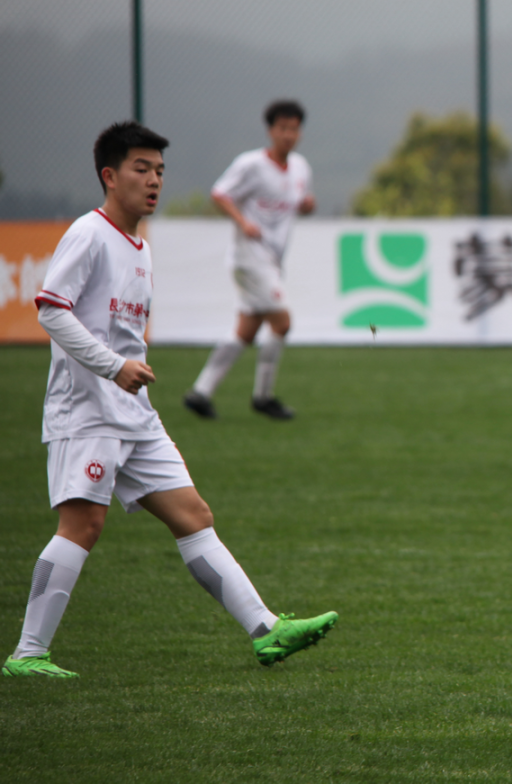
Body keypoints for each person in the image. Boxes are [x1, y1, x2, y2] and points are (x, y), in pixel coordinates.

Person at [3, 122, 336, 679]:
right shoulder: (89, 233)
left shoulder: (139, 247)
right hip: (87, 411)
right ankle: (27, 655)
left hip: (134, 413)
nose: (154, 180)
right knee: (82, 525)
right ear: (110, 176)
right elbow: (51, 309)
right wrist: (113, 366)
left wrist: (125, 372)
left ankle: (265, 629)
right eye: (141, 168)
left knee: (194, 515)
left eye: (159, 170)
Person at [183, 99, 315, 420]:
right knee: (282, 322)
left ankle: (201, 392)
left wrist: (307, 206)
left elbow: (299, 203)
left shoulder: (300, 168)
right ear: (270, 130)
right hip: (249, 257)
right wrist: (243, 222)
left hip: (272, 259)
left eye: (294, 129)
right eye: (282, 128)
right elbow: (220, 193)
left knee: (246, 330)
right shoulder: (251, 164)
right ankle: (263, 397)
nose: (288, 135)